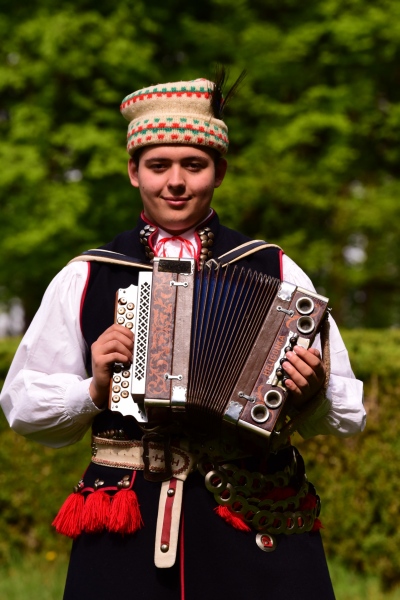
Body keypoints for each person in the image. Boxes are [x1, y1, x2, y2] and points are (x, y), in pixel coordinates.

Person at [0, 75, 365, 599]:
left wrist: (310, 396)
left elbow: (347, 410)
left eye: (193, 165)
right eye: (158, 166)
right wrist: (93, 391)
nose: (175, 181)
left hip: (249, 515)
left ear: (219, 171)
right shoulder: (86, 275)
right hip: (128, 524)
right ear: (133, 171)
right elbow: (23, 406)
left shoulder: (277, 269)